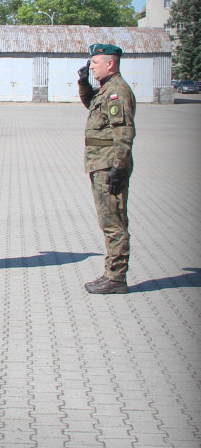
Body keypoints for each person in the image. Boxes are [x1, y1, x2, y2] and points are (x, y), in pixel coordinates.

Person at [78, 44, 136, 295]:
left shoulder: (118, 93)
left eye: (95, 63)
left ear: (110, 63)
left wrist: (119, 168)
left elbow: (123, 133)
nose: (91, 66)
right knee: (108, 220)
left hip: (109, 165)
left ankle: (116, 277)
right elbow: (92, 104)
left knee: (114, 221)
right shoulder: (106, 91)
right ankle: (111, 273)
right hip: (100, 163)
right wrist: (83, 84)